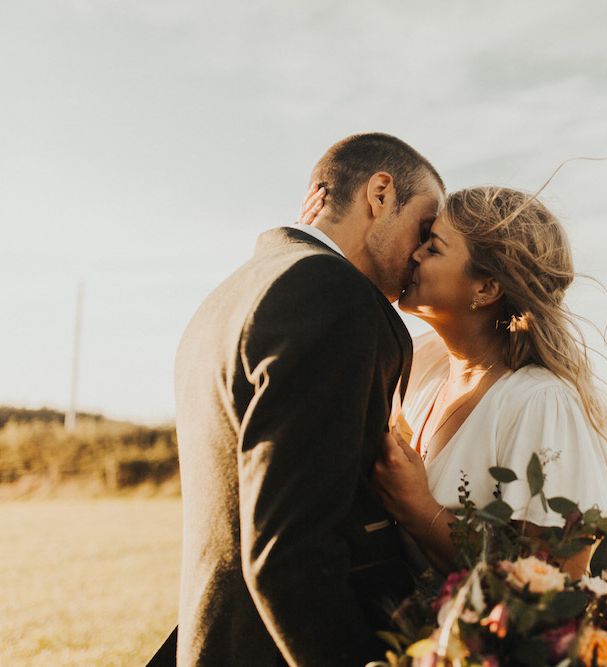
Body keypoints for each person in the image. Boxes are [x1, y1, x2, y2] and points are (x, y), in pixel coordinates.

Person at [164, 133, 445, 666]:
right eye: (425, 228)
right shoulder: (331, 295)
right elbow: (291, 553)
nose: (422, 253)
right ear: (380, 193)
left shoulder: (235, 293)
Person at [303, 184, 607, 581]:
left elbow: (557, 577)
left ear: (487, 287)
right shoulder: (421, 362)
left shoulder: (539, 402)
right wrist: (320, 245)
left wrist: (419, 508)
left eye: (434, 246)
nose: (414, 253)